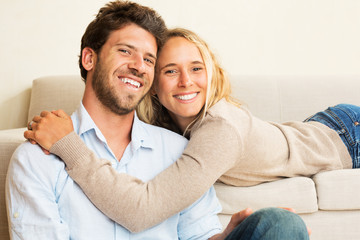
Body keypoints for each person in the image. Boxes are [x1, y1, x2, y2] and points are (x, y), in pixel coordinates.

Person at [7, 1, 310, 240]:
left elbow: (196, 234)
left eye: (149, 60)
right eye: (125, 51)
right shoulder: (36, 159)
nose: (139, 66)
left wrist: (225, 237)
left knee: (280, 224)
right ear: (90, 59)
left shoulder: (179, 151)